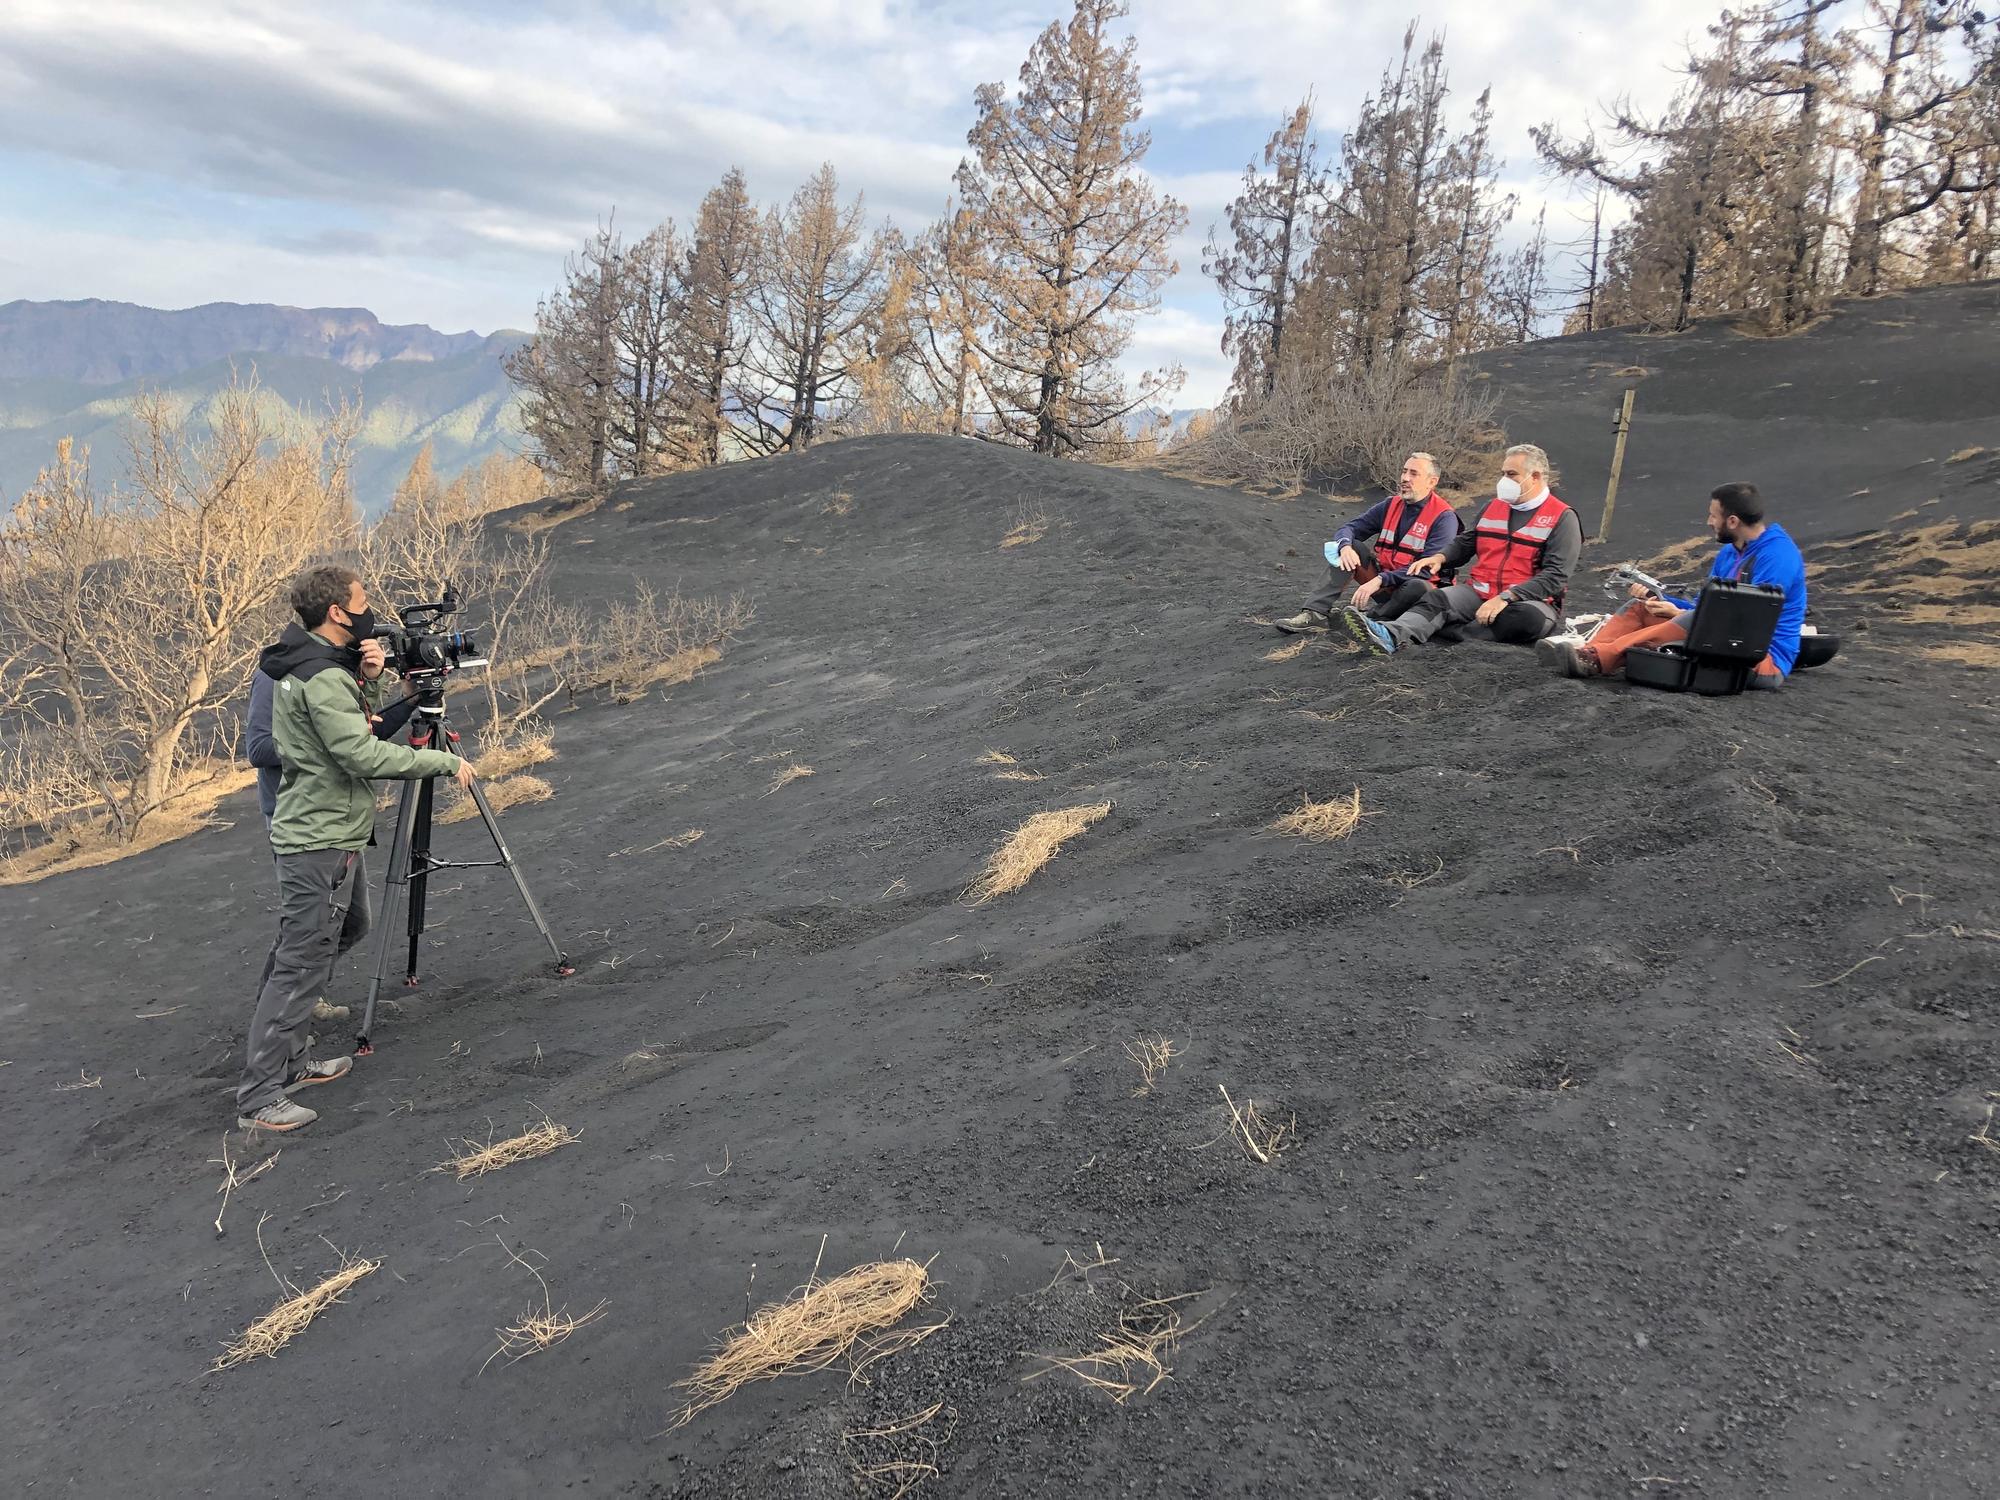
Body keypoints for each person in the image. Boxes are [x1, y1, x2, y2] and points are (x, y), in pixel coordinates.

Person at [234, 564, 475, 1134]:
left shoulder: (307, 666)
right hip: (314, 836)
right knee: (298, 963)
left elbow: (347, 730)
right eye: (361, 601)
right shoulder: (316, 676)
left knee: (316, 952)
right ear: (338, 612)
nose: (371, 610)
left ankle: (293, 1065)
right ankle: (259, 1096)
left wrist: (367, 681)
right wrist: (443, 761)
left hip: (326, 830)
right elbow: (359, 755)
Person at [245, 632, 421, 1024]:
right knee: (306, 931)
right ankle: (276, 1019)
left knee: (354, 923)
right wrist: (325, 742)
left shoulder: (338, 672)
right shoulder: (279, 672)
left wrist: (409, 698)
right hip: (301, 818)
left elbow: (362, 741)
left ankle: (298, 1001)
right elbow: (257, 748)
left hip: (339, 818)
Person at [1538, 481, 1806, 688]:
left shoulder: (1777, 556)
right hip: (1721, 643)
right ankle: (1590, 654)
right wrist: (1665, 602)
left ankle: (1599, 658)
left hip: (1761, 661)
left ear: (1732, 521)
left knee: (1692, 620)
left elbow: (1747, 623)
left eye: (1713, 516)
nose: (1709, 522)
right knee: (1642, 607)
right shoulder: (1730, 552)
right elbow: (1707, 607)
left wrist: (1682, 615)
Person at [1342, 443, 1580, 654]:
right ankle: (1390, 634)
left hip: (1528, 601)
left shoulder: (1562, 517)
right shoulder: (1492, 507)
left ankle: (1448, 630)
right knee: (1437, 598)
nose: (1504, 481)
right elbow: (1467, 542)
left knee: (1529, 620)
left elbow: (1555, 576)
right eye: (1502, 474)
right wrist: (1440, 558)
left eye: (1511, 474)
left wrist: (1507, 598)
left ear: (1536, 477)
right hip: (1479, 591)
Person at [1275, 452, 1460, 633]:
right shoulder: (1390, 505)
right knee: (1351, 547)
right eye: (1404, 471)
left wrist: (1380, 579)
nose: (1404, 478)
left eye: (1413, 473)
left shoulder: (1444, 518)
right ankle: (1314, 614)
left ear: (1432, 482)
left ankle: (1370, 620)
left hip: (1420, 596)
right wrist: (1345, 546)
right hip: (1386, 586)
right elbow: (1348, 529)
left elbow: (1426, 570)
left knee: (1419, 585)